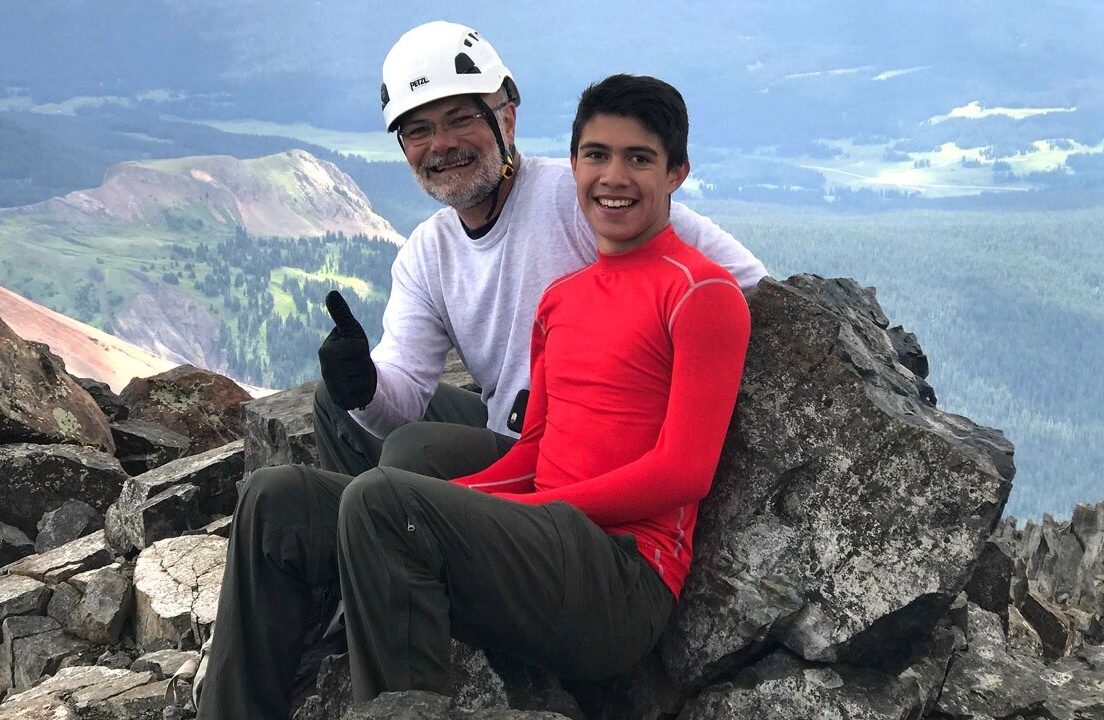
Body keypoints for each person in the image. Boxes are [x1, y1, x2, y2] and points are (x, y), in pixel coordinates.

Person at [198, 71, 750, 718]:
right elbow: (533, 453)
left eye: (640, 159)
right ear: (572, 166)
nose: (614, 177)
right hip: (543, 544)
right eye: (597, 155)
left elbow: (682, 473)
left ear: (676, 174)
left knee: (383, 502)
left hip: (621, 579)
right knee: (278, 500)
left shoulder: (701, 292)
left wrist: (521, 510)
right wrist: (451, 506)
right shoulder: (562, 301)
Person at [314, 20, 766, 482]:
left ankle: (399, 531)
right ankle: (372, 535)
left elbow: (748, 284)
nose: (441, 144)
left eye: (460, 119)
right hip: (507, 432)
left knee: (413, 452)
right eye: (418, 130)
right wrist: (363, 387)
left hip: (573, 452)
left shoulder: (581, 197)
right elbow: (404, 397)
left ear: (506, 120)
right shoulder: (427, 254)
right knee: (336, 402)